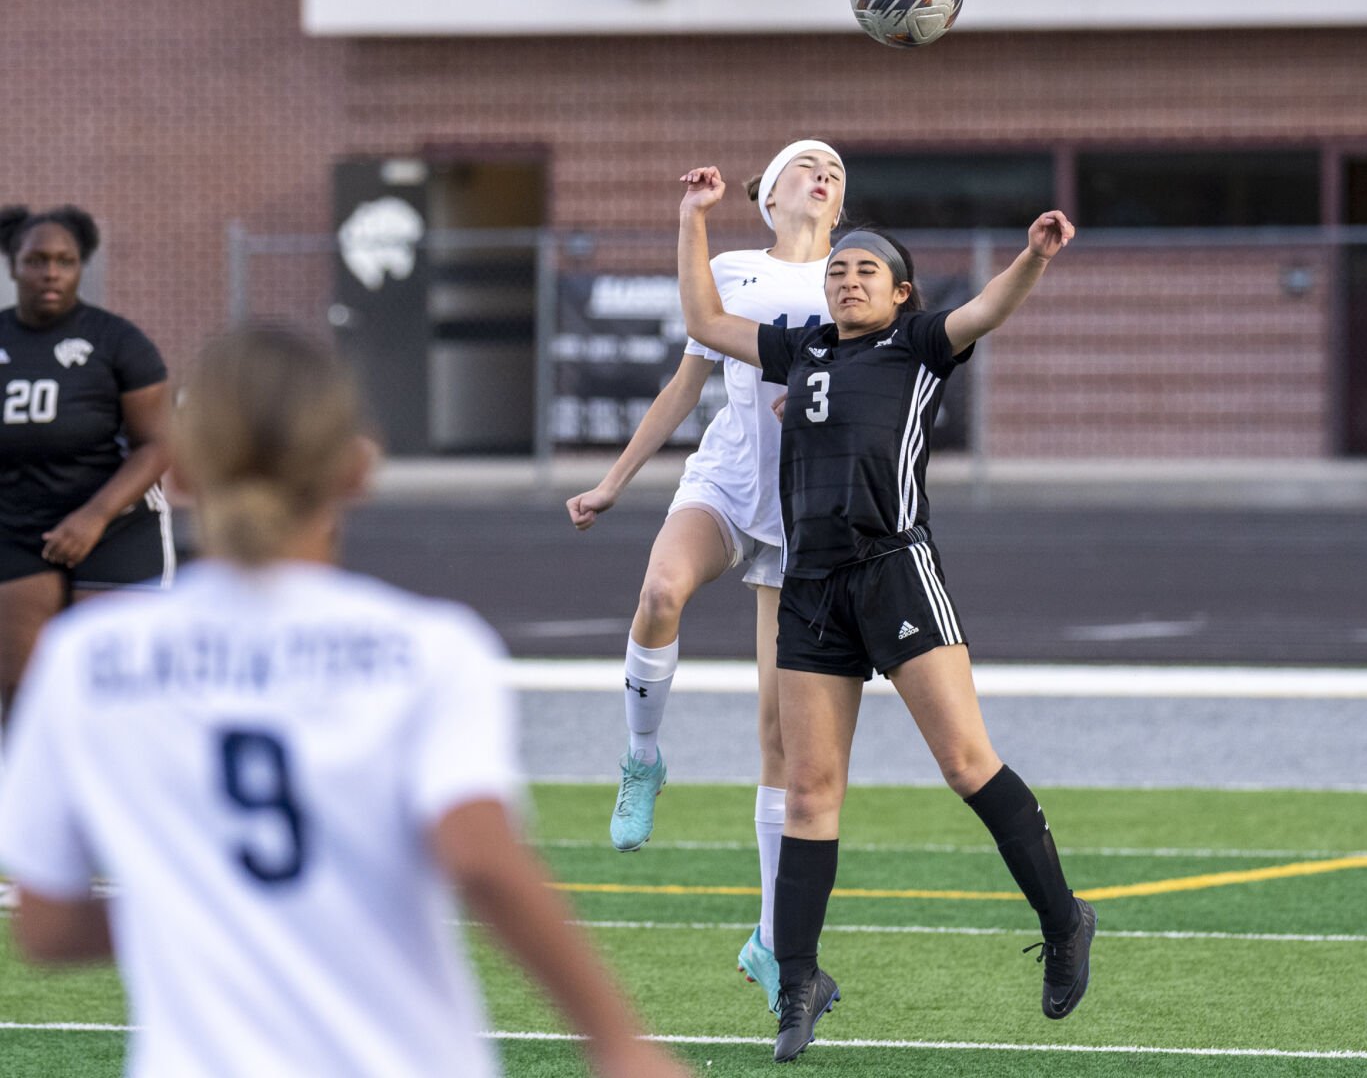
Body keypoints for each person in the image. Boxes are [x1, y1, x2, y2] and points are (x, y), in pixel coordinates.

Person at [0, 327, 688, 1078]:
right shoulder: (427, 648)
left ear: (184, 472)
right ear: (357, 468)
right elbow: (480, 858)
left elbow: (49, 924)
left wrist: (204, 897)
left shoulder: (87, 657)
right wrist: (620, 1044)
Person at [673, 165, 1094, 1063]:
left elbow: (983, 310)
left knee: (964, 761)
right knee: (809, 792)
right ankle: (797, 982)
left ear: (900, 292)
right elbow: (706, 324)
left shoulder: (918, 344)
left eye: (866, 270)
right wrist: (692, 221)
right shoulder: (802, 349)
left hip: (894, 571)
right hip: (811, 586)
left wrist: (1032, 258)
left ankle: (1063, 920)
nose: (847, 278)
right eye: (839, 271)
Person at [566, 140, 844, 1015]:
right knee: (658, 593)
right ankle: (641, 758)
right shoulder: (734, 267)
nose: (823, 174)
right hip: (725, 483)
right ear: (769, 195)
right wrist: (614, 480)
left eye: (835, 170)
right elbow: (686, 386)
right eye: (807, 164)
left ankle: (768, 939)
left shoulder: (855, 273)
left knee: (778, 736)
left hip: (806, 512)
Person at [0, 205, 173, 734]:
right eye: (36, 260)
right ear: (13, 266)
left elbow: (159, 445)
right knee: (23, 694)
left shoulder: (117, 341)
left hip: (115, 524)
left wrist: (93, 517)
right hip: (18, 528)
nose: (50, 272)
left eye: (64, 261)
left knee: (114, 693)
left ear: (81, 267)